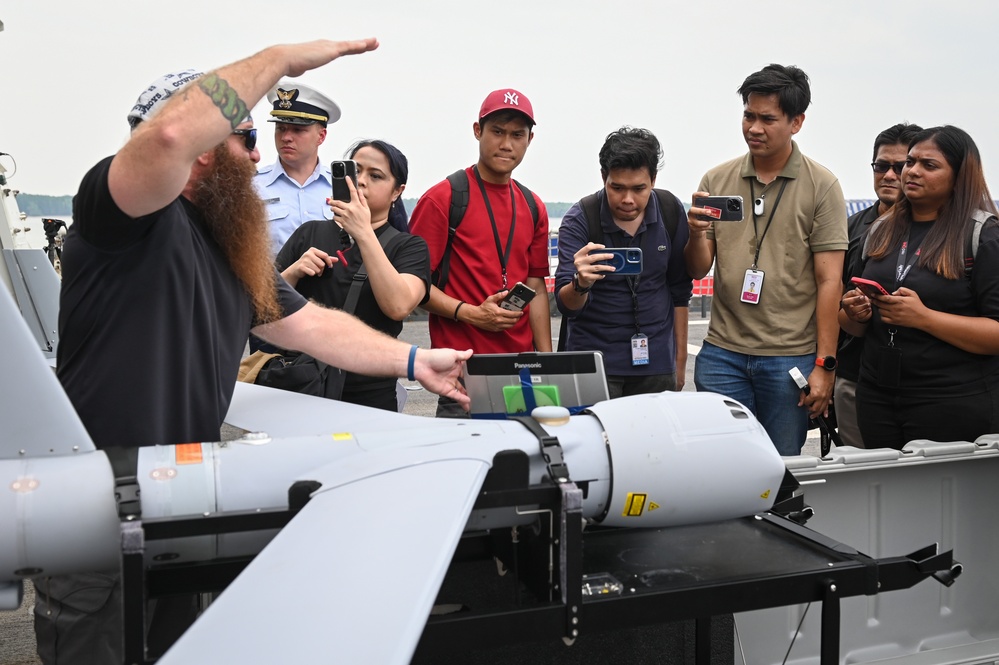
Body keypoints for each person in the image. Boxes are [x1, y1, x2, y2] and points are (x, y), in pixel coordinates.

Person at [36, 40, 472, 664]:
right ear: (203, 149)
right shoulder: (121, 216)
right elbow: (164, 141)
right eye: (245, 137)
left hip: (180, 506)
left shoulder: (223, 244)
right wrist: (279, 61)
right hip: (99, 512)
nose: (258, 153)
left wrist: (412, 361)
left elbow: (309, 326)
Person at [685, 64, 847, 456]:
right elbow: (698, 269)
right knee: (724, 464)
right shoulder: (717, 180)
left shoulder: (821, 186)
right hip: (723, 353)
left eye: (767, 119)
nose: (754, 128)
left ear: (797, 122)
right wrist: (694, 233)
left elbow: (830, 281)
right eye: (748, 116)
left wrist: (824, 365)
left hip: (789, 356)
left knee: (782, 469)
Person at [840, 125, 999, 450]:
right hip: (877, 396)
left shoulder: (983, 236)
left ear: (959, 175)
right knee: (885, 494)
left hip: (952, 401)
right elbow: (850, 326)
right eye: (910, 162)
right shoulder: (880, 229)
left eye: (929, 165)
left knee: (943, 496)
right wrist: (854, 311)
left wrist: (924, 317)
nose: (911, 171)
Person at [409, 89, 552, 417]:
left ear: (530, 139)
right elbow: (412, 289)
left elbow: (537, 287)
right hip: (462, 375)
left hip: (524, 373)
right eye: (497, 132)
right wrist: (471, 313)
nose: (506, 144)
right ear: (478, 131)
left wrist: (547, 362)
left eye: (517, 135)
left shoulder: (533, 206)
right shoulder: (443, 198)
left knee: (525, 465)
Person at [277, 139, 430, 411]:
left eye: (375, 176)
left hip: (370, 396)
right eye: (355, 171)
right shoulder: (309, 233)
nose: (360, 181)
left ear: (398, 192)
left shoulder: (408, 247)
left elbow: (398, 306)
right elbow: (260, 306)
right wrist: (293, 272)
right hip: (303, 388)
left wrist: (363, 232)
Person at [555, 127, 691, 397]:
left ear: (653, 179)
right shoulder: (581, 219)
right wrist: (580, 283)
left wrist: (679, 362)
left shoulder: (669, 210)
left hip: (656, 364)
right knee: (594, 439)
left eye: (639, 188)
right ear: (604, 178)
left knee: (650, 440)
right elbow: (566, 306)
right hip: (592, 364)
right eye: (617, 188)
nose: (628, 199)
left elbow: (679, 291)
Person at [835, 123, 923, 448]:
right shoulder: (850, 228)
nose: (889, 175)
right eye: (880, 166)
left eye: (899, 167)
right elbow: (830, 300)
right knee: (864, 476)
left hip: (924, 382)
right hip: (856, 373)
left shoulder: (946, 232)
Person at [254, 80, 340, 252]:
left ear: (321, 136)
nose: (286, 137)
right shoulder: (253, 187)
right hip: (272, 279)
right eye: (281, 128)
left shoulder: (341, 188)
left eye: (297, 130)